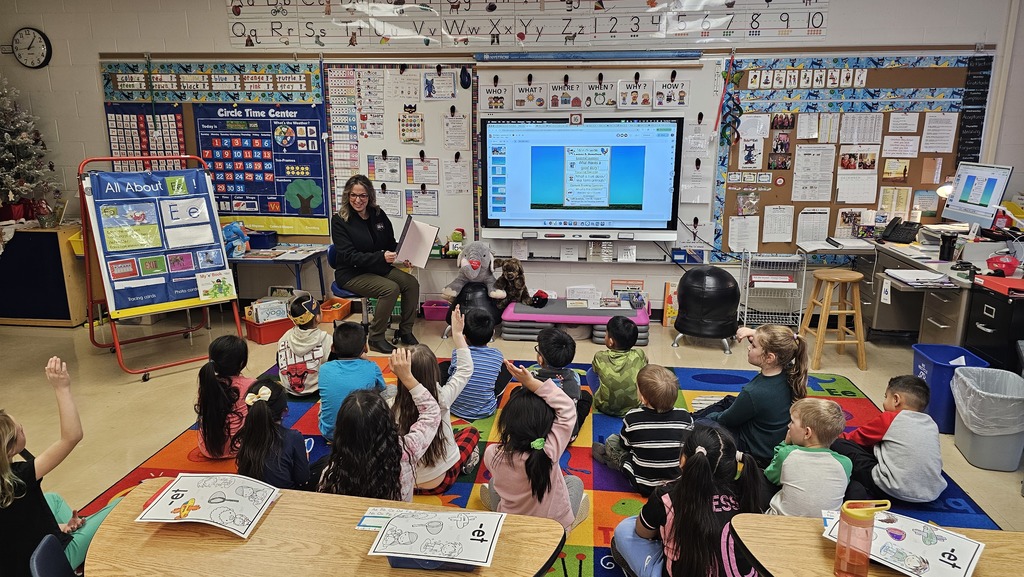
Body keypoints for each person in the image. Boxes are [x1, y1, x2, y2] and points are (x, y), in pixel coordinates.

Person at [1, 357, 123, 576]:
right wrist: (62, 387)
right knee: (122, 504)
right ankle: (78, 555)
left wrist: (60, 527)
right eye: (18, 429)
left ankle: (69, 533)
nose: (22, 427)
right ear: (9, 450)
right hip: (45, 564)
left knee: (54, 499)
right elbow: (72, 436)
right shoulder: (21, 476)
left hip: (14, 560)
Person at [609, 424, 767, 577]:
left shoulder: (667, 496)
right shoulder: (748, 491)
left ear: (683, 461)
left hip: (681, 567)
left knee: (625, 529)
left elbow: (642, 533)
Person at [318, 348, 441, 501]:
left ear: (341, 429)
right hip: (397, 520)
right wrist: (407, 377)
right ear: (388, 421)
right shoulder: (406, 450)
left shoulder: (333, 471)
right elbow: (432, 413)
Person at [480, 361, 589, 533]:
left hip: (512, 525)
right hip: (552, 529)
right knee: (574, 482)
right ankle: (570, 523)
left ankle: (498, 513)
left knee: (494, 482)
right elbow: (567, 407)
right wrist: (531, 382)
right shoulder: (549, 451)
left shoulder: (492, 454)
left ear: (507, 422)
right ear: (547, 426)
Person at [389, 306, 480, 495]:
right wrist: (457, 333)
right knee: (470, 432)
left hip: (403, 484)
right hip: (440, 482)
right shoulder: (442, 399)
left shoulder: (390, 405)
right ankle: (465, 463)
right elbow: (465, 369)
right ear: (434, 372)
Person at [694, 324, 808, 466]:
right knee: (729, 400)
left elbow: (726, 420)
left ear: (769, 357)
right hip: (772, 438)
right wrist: (755, 333)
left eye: (753, 346)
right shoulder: (789, 369)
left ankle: (690, 421)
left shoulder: (754, 391)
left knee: (701, 424)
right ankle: (692, 417)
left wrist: (709, 417)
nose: (749, 347)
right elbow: (779, 342)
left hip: (757, 449)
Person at [331, 174, 420, 354]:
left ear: (370, 196)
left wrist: (404, 253)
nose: (358, 200)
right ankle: (376, 337)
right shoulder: (340, 220)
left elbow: (389, 243)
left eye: (363, 195)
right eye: (353, 195)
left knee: (411, 283)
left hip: (377, 268)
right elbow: (349, 256)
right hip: (351, 273)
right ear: (347, 196)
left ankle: (405, 331)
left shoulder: (378, 214)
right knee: (390, 289)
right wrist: (381, 257)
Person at [831, 375, 947, 503]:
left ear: (896, 399)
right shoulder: (931, 424)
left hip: (891, 490)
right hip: (931, 493)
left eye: (886, 397)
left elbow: (853, 439)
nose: (884, 401)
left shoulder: (889, 418)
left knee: (838, 444)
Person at [593, 365, 694, 496]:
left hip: (642, 484)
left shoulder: (633, 417)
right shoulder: (686, 417)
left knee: (612, 441)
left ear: (643, 398)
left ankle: (615, 461)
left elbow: (625, 445)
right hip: (676, 485)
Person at [764, 398, 851, 517]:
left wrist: (785, 444)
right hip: (825, 527)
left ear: (807, 433)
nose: (789, 426)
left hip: (781, 524)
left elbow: (770, 476)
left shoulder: (787, 453)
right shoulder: (846, 463)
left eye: (792, 422)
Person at [234, 379, 311, 490]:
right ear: (285, 410)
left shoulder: (246, 434)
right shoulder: (293, 437)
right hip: (285, 498)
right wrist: (305, 459)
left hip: (251, 493)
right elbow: (302, 478)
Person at [317, 321, 386, 440]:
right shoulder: (372, 367)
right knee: (390, 390)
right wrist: (367, 361)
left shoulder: (324, 369)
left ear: (333, 348)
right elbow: (382, 388)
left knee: (326, 399)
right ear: (365, 347)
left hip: (331, 435)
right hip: (366, 434)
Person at [195, 335, 254, 459]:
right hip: (239, 447)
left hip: (207, 448)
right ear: (242, 363)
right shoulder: (251, 384)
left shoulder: (207, 384)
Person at [447, 308, 511, 421]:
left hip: (453, 406)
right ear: (493, 334)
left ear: (464, 336)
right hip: (485, 410)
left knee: (446, 367)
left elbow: (451, 373)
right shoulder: (497, 355)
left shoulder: (457, 353)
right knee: (507, 368)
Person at [531, 327, 592, 441]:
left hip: (536, 434)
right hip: (565, 437)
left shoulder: (532, 377)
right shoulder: (574, 377)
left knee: (517, 392)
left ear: (540, 359)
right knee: (586, 396)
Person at [277, 292, 333, 396]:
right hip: (317, 388)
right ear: (317, 317)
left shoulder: (284, 337)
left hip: (289, 388)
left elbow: (278, 362)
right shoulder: (327, 339)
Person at [592, 315, 648, 417]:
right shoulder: (639, 354)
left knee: (590, 373)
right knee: (643, 372)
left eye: (606, 333)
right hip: (634, 407)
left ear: (610, 341)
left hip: (605, 407)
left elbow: (595, 371)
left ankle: (599, 397)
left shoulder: (600, 356)